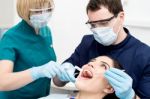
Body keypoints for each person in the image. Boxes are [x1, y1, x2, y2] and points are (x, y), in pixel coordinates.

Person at [53, 0, 150, 98]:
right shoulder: (87, 43)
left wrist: (130, 96)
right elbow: (57, 81)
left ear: (121, 17)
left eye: (103, 23)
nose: (98, 30)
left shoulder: (144, 55)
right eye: (93, 25)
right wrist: (61, 76)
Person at [0, 0, 74, 99]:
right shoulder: (11, 37)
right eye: (38, 11)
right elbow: (3, 81)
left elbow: (50, 73)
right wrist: (36, 72)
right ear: (25, 10)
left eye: (47, 9)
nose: (44, 14)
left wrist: (61, 74)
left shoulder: (46, 31)